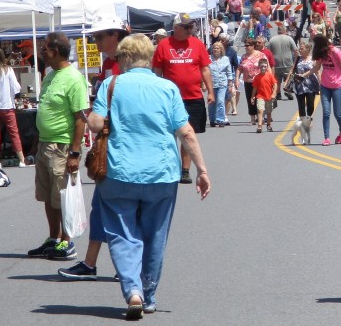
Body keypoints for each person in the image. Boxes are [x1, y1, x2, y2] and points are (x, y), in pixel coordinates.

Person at [87, 34, 211, 318]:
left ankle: (133, 291)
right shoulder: (167, 88)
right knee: (155, 234)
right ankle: (150, 293)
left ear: (126, 58)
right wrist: (202, 170)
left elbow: (95, 124)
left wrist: (93, 117)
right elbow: (186, 132)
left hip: (119, 171)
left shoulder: (111, 85)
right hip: (161, 173)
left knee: (122, 233)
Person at [57, 16, 128, 281]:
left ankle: (128, 266)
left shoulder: (126, 63)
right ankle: (90, 263)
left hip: (123, 145)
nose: (95, 42)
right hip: (107, 144)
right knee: (100, 206)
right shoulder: (109, 63)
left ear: (115, 36)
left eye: (100, 37)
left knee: (123, 209)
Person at [27, 32, 89, 261]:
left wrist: (74, 152)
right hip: (45, 143)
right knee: (46, 195)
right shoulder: (50, 76)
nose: (41, 53)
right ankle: (53, 238)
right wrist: (36, 143)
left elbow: (80, 118)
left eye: (44, 49)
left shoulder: (73, 78)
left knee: (63, 196)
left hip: (62, 146)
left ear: (55, 51)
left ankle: (67, 240)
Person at [152, 13, 215, 184]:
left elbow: (205, 70)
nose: (190, 30)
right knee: (168, 134)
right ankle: (168, 166)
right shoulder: (163, 46)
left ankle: (185, 170)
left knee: (188, 134)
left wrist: (210, 91)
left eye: (191, 27)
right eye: (186, 27)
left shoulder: (197, 44)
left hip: (193, 97)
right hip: (170, 99)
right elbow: (157, 72)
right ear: (176, 27)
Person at [306, 34, 341, 146]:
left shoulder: (335, 51)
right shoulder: (320, 53)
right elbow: (317, 67)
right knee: (326, 113)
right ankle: (326, 137)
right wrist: (304, 75)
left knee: (337, 113)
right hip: (325, 86)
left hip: (337, 86)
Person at [284, 42, 320, 126]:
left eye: (302, 48)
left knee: (310, 104)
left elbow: (317, 72)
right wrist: (286, 81)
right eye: (300, 48)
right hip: (299, 84)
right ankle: (303, 122)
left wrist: (320, 83)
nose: (300, 50)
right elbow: (292, 69)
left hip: (311, 85)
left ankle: (309, 117)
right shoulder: (298, 58)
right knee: (301, 104)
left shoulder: (313, 59)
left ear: (308, 50)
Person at [236, 38, 268, 126]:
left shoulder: (260, 55)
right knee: (250, 100)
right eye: (245, 45)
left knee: (260, 99)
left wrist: (269, 78)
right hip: (248, 81)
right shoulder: (244, 56)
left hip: (259, 81)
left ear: (253, 46)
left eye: (247, 45)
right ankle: (252, 119)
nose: (245, 47)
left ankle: (260, 117)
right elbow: (239, 68)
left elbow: (267, 67)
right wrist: (237, 79)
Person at [268, 24, 298, 100]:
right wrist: (296, 60)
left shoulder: (272, 39)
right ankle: (288, 91)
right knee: (288, 78)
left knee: (277, 80)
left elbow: (268, 52)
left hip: (276, 63)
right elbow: (295, 50)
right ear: (285, 31)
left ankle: (278, 94)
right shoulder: (289, 38)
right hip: (287, 62)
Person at [208, 42, 233, 127]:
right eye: (214, 48)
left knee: (221, 101)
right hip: (211, 84)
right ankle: (212, 119)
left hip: (222, 83)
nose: (215, 49)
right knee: (212, 103)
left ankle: (220, 119)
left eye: (217, 48)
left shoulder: (225, 59)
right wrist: (203, 83)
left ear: (221, 49)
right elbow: (205, 71)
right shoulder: (208, 58)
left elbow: (229, 73)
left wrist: (230, 85)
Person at [251, 58, 278, 132]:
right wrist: (252, 97)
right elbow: (255, 88)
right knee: (260, 110)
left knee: (269, 112)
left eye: (265, 67)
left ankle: (268, 124)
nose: (263, 68)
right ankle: (259, 126)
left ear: (267, 67)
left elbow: (275, 84)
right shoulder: (257, 77)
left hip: (269, 97)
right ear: (259, 67)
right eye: (262, 66)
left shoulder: (270, 75)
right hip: (260, 96)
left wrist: (274, 93)